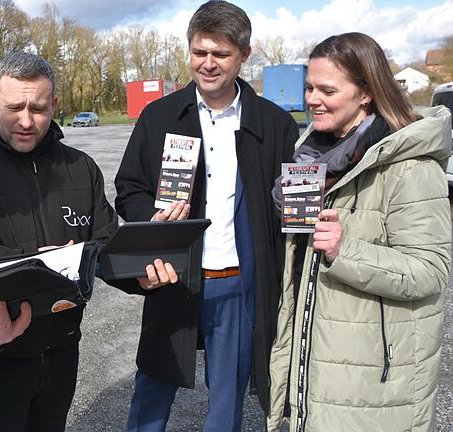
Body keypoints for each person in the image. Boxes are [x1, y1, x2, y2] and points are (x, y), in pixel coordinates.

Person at [0, 52, 177, 432]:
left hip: (62, 349)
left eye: (38, 107)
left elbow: (104, 244)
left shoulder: (81, 167)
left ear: (55, 104)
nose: (27, 120)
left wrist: (140, 276)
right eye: (15, 106)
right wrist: (34, 263)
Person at [114, 1, 299, 431]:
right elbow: (128, 188)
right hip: (172, 275)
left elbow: (289, 205)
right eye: (200, 52)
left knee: (227, 397)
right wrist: (154, 216)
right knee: (153, 386)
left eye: (221, 54)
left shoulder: (274, 124)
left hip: (235, 282)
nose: (208, 64)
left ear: (245, 56)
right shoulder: (159, 116)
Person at [266, 32, 451, 432]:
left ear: (365, 93)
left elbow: (432, 270)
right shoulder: (314, 156)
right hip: (322, 371)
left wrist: (346, 251)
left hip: (376, 386)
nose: (312, 99)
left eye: (327, 90)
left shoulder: (410, 167)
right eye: (309, 87)